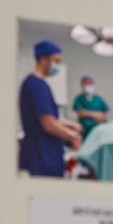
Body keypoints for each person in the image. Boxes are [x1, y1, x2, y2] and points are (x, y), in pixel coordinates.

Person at [19, 40, 82, 177]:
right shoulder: (37, 86)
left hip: (42, 152)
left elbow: (48, 118)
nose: (57, 66)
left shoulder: (35, 84)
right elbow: (49, 125)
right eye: (56, 61)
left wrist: (71, 125)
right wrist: (73, 136)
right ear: (43, 59)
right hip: (41, 155)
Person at [72, 75, 109, 140]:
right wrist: (96, 115)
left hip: (99, 128)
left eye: (90, 84)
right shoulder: (79, 98)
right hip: (85, 129)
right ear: (82, 86)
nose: (88, 86)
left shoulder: (98, 98)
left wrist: (101, 117)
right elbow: (80, 113)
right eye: (85, 85)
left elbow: (105, 112)